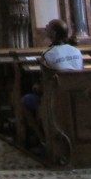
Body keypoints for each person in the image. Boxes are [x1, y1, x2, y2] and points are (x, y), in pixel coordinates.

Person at [22, 18, 83, 148]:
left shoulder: (48, 55)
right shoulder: (77, 52)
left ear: (54, 34)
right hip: (77, 96)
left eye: (48, 27)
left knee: (25, 100)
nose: (45, 28)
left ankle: (42, 138)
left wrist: (36, 88)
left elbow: (45, 85)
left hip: (55, 98)